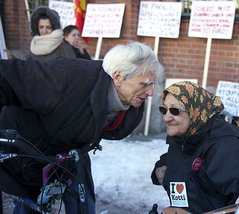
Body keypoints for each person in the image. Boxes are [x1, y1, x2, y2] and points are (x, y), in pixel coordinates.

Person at [0, 41, 163, 213]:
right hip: (24, 151)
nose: (150, 92)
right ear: (118, 77)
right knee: (28, 206)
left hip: (70, 154)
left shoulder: (133, 105)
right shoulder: (67, 77)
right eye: (144, 84)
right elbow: (8, 76)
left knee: (84, 207)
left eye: (152, 84)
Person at [151, 81, 239, 213]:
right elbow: (173, 160)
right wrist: (160, 169)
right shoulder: (185, 136)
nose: (166, 117)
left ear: (195, 110)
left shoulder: (227, 149)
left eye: (174, 110)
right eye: (164, 109)